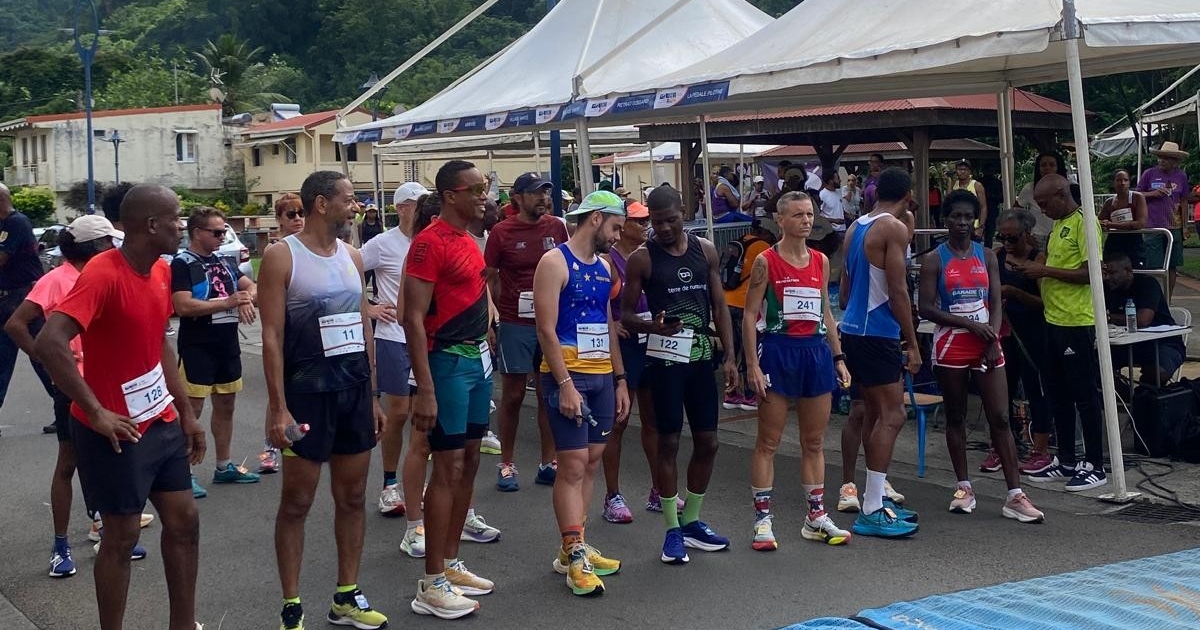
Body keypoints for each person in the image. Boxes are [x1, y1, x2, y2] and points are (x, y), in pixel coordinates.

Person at [35, 184, 205, 630]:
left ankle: (183, 624)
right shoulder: (102, 273)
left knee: (185, 522)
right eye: (176, 217)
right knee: (122, 537)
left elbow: (160, 343)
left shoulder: (163, 272)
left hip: (160, 418)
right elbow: (49, 342)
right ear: (151, 225)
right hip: (115, 430)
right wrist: (94, 411)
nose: (181, 224)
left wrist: (185, 411)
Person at [259, 171, 389, 630]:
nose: (356, 208)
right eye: (349, 200)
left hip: (352, 392)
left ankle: (345, 597)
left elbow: (364, 325)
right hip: (306, 396)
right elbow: (271, 336)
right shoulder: (281, 257)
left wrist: (373, 395)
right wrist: (278, 407)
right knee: (297, 501)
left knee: (353, 497)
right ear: (320, 204)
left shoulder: (353, 256)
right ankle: (291, 607)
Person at [621, 186, 739, 565]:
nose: (664, 228)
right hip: (665, 361)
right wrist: (651, 328)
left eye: (671, 220)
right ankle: (672, 529)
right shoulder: (642, 258)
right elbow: (623, 316)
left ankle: (692, 521)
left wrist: (732, 356)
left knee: (709, 442)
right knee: (668, 443)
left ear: (683, 211)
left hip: (702, 358)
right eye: (657, 223)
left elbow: (719, 305)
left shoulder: (704, 250)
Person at [4, 216, 123, 578]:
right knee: (68, 463)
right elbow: (14, 324)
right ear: (96, 246)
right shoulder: (56, 279)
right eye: (110, 242)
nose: (116, 248)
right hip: (73, 386)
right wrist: (44, 357)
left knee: (108, 460)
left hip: (106, 383)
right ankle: (60, 546)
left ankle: (105, 530)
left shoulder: (107, 276)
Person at [404, 160, 497, 619]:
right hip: (445, 363)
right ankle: (431, 580)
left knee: (471, 460)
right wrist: (424, 388)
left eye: (485, 187)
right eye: (476, 188)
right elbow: (412, 318)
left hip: (476, 360)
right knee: (447, 466)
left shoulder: (469, 240)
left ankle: (452, 561)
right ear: (450, 195)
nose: (484, 194)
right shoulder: (428, 243)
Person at [918, 191, 1045, 523]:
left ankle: (1015, 495)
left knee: (1000, 417)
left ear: (975, 221)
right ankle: (963, 487)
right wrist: (968, 325)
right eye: (955, 217)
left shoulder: (987, 255)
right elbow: (927, 307)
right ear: (944, 220)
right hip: (952, 345)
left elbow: (996, 301)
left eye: (967, 218)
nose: (961, 223)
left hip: (987, 343)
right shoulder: (935, 259)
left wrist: (992, 336)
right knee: (956, 416)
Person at [742, 192, 854, 550]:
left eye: (809, 214)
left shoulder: (820, 261)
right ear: (781, 220)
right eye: (797, 215)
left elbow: (825, 311)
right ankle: (762, 520)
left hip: (815, 352)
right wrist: (752, 365)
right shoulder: (765, 261)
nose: (806, 220)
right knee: (769, 441)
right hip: (778, 350)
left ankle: (815, 517)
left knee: (814, 441)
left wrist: (838, 357)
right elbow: (748, 315)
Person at [533, 190, 630, 596]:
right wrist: (565, 384)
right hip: (568, 375)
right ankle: (573, 556)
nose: (619, 234)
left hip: (601, 375)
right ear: (595, 219)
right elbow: (545, 329)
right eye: (616, 226)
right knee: (571, 464)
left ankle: (576, 543)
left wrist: (620, 379)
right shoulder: (554, 262)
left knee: (591, 462)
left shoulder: (606, 266)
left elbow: (607, 323)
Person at [837, 167, 922, 538]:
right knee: (893, 414)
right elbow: (898, 290)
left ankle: (873, 500)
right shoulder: (894, 228)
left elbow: (843, 288)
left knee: (873, 413)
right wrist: (912, 341)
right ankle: (871, 508)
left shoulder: (857, 226)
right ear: (908, 195)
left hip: (853, 328)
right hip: (879, 330)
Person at [1013, 174, 1107, 492]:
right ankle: (1066, 458)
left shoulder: (1085, 222)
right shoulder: (1058, 226)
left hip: (1077, 320)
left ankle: (1095, 463)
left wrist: (1044, 270)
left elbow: (1088, 273)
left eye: (1044, 204)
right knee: (1057, 393)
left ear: (1061, 193)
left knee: (1084, 393)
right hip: (1053, 319)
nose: (1043, 211)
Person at [485, 172, 566, 491]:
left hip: (552, 323)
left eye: (546, 191)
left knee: (550, 393)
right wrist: (490, 321)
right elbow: (488, 277)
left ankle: (549, 462)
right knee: (514, 395)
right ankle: (506, 463)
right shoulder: (502, 232)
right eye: (535, 193)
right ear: (517, 197)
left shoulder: (557, 227)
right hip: (516, 323)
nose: (543, 198)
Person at [171, 206, 259, 500]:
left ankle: (224, 465)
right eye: (217, 232)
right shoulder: (182, 263)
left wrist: (245, 298)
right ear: (197, 233)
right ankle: (184, 472)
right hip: (198, 344)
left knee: (226, 405)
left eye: (224, 231)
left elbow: (252, 286)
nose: (223, 237)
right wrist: (229, 302)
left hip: (228, 343)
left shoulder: (224, 261)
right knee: (191, 409)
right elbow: (182, 305)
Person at [601, 199, 678, 520]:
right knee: (618, 421)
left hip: (652, 341)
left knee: (654, 420)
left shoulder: (650, 256)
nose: (646, 225)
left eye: (648, 219)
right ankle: (612, 496)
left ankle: (659, 490)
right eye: (638, 220)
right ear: (622, 228)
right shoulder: (609, 260)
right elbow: (597, 302)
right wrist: (612, 323)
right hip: (626, 346)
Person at [362, 182, 426, 520]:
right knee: (399, 411)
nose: (418, 210)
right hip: (393, 336)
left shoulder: (431, 240)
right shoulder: (383, 243)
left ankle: (414, 482)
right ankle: (389, 484)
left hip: (427, 338)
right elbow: (348, 270)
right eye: (414, 204)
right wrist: (369, 307)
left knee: (424, 413)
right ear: (400, 208)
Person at [993, 208, 1056, 475]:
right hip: (1005, 331)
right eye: (1002, 237)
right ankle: (1001, 447)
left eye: (1013, 238)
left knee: (1035, 389)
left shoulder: (1037, 259)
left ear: (1027, 234)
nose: (1007, 243)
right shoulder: (996, 257)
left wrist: (1015, 292)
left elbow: (1046, 302)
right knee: (1001, 390)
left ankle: (1040, 448)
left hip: (1032, 331)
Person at [256, 193, 306, 474]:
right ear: (279, 220)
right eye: (291, 214)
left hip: (308, 331)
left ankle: (299, 438)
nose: (298, 218)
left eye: (301, 213)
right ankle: (269, 445)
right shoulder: (276, 251)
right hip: (285, 328)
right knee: (279, 391)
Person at [0, 182, 51, 433]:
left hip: (24, 298)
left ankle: (68, 405)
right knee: (1, 359)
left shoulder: (16, 223)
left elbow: (2, 257)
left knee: (40, 355)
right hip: (5, 298)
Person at [1103, 253, 1185, 385]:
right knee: (1091, 363)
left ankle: (1146, 397)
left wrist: (1107, 317)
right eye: (1105, 273)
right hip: (1126, 342)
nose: (1107, 277)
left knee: (1158, 372)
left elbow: (1142, 320)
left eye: (1112, 273)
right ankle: (1122, 396)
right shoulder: (1106, 288)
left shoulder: (1147, 284)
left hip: (1161, 342)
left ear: (1128, 271)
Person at [721, 224, 773, 411]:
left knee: (731, 350)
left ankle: (731, 393)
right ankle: (750, 395)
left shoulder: (739, 241)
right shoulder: (763, 247)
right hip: (745, 304)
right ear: (763, 230)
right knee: (748, 350)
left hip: (727, 300)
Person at [1138, 141, 1191, 296]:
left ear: (1175, 161)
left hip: (1174, 225)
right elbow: (1137, 195)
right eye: (1160, 157)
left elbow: (1184, 200)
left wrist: (1185, 226)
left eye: (1166, 158)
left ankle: (1168, 299)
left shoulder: (1181, 176)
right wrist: (1153, 194)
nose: (1162, 160)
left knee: (1172, 265)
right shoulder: (1149, 174)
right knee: (1151, 265)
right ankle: (1151, 298)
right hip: (1152, 226)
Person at [1015, 152, 1068, 249]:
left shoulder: (1069, 187)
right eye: (1043, 165)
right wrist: (1026, 234)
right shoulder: (1030, 188)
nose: (1047, 168)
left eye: (1052, 165)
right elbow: (1015, 211)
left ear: (1058, 167)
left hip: (1064, 236)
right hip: (1038, 238)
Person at [1099, 170, 1148, 267]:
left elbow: (1140, 223)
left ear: (1129, 182)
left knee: (1137, 272)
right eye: (1119, 180)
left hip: (1134, 242)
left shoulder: (1137, 197)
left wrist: (1111, 225)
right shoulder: (1109, 202)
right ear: (1113, 183)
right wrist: (1103, 224)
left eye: (1126, 180)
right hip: (1115, 242)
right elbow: (1099, 221)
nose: (1122, 183)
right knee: (1112, 272)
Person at [949, 160, 989, 242]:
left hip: (973, 226)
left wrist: (981, 227)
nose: (962, 172)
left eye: (965, 169)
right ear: (956, 171)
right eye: (960, 169)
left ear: (970, 171)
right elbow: (949, 204)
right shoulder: (954, 185)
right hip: (957, 225)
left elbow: (983, 206)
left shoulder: (977, 185)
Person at [818, 170, 848, 245]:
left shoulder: (838, 192)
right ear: (831, 181)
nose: (840, 180)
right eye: (837, 178)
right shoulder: (822, 195)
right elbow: (818, 217)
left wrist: (847, 215)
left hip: (843, 230)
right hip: (830, 232)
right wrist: (834, 220)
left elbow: (838, 209)